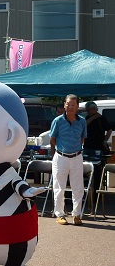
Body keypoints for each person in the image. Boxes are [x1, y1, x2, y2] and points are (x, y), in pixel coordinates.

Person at [50, 94, 87, 226]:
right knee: (59, 187)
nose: (70, 107)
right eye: (68, 104)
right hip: (61, 157)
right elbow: (52, 138)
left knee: (78, 187)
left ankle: (76, 215)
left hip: (77, 157)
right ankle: (59, 214)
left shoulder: (82, 121)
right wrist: (59, 151)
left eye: (73, 105)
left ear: (77, 106)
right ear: (64, 105)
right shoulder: (58, 121)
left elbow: (83, 138)